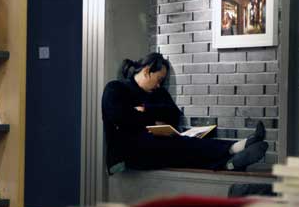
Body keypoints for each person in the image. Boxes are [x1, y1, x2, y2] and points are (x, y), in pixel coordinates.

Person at [102, 52, 268, 174]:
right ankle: (235, 148)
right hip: (129, 152)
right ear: (146, 71)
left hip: (155, 147)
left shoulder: (157, 93)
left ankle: (229, 163)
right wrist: (152, 120)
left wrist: (146, 111)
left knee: (182, 144)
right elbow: (123, 118)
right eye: (159, 80)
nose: (160, 85)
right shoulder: (116, 88)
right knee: (179, 145)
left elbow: (173, 115)